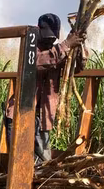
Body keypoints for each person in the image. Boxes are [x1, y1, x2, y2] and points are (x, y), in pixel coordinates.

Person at [4, 12, 72, 163]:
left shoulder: (58, 52)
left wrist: (78, 45)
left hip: (43, 118)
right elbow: (37, 62)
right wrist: (66, 45)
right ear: (38, 30)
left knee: (41, 163)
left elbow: (77, 67)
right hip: (20, 115)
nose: (50, 42)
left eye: (52, 39)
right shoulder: (30, 48)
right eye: (47, 38)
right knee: (19, 162)